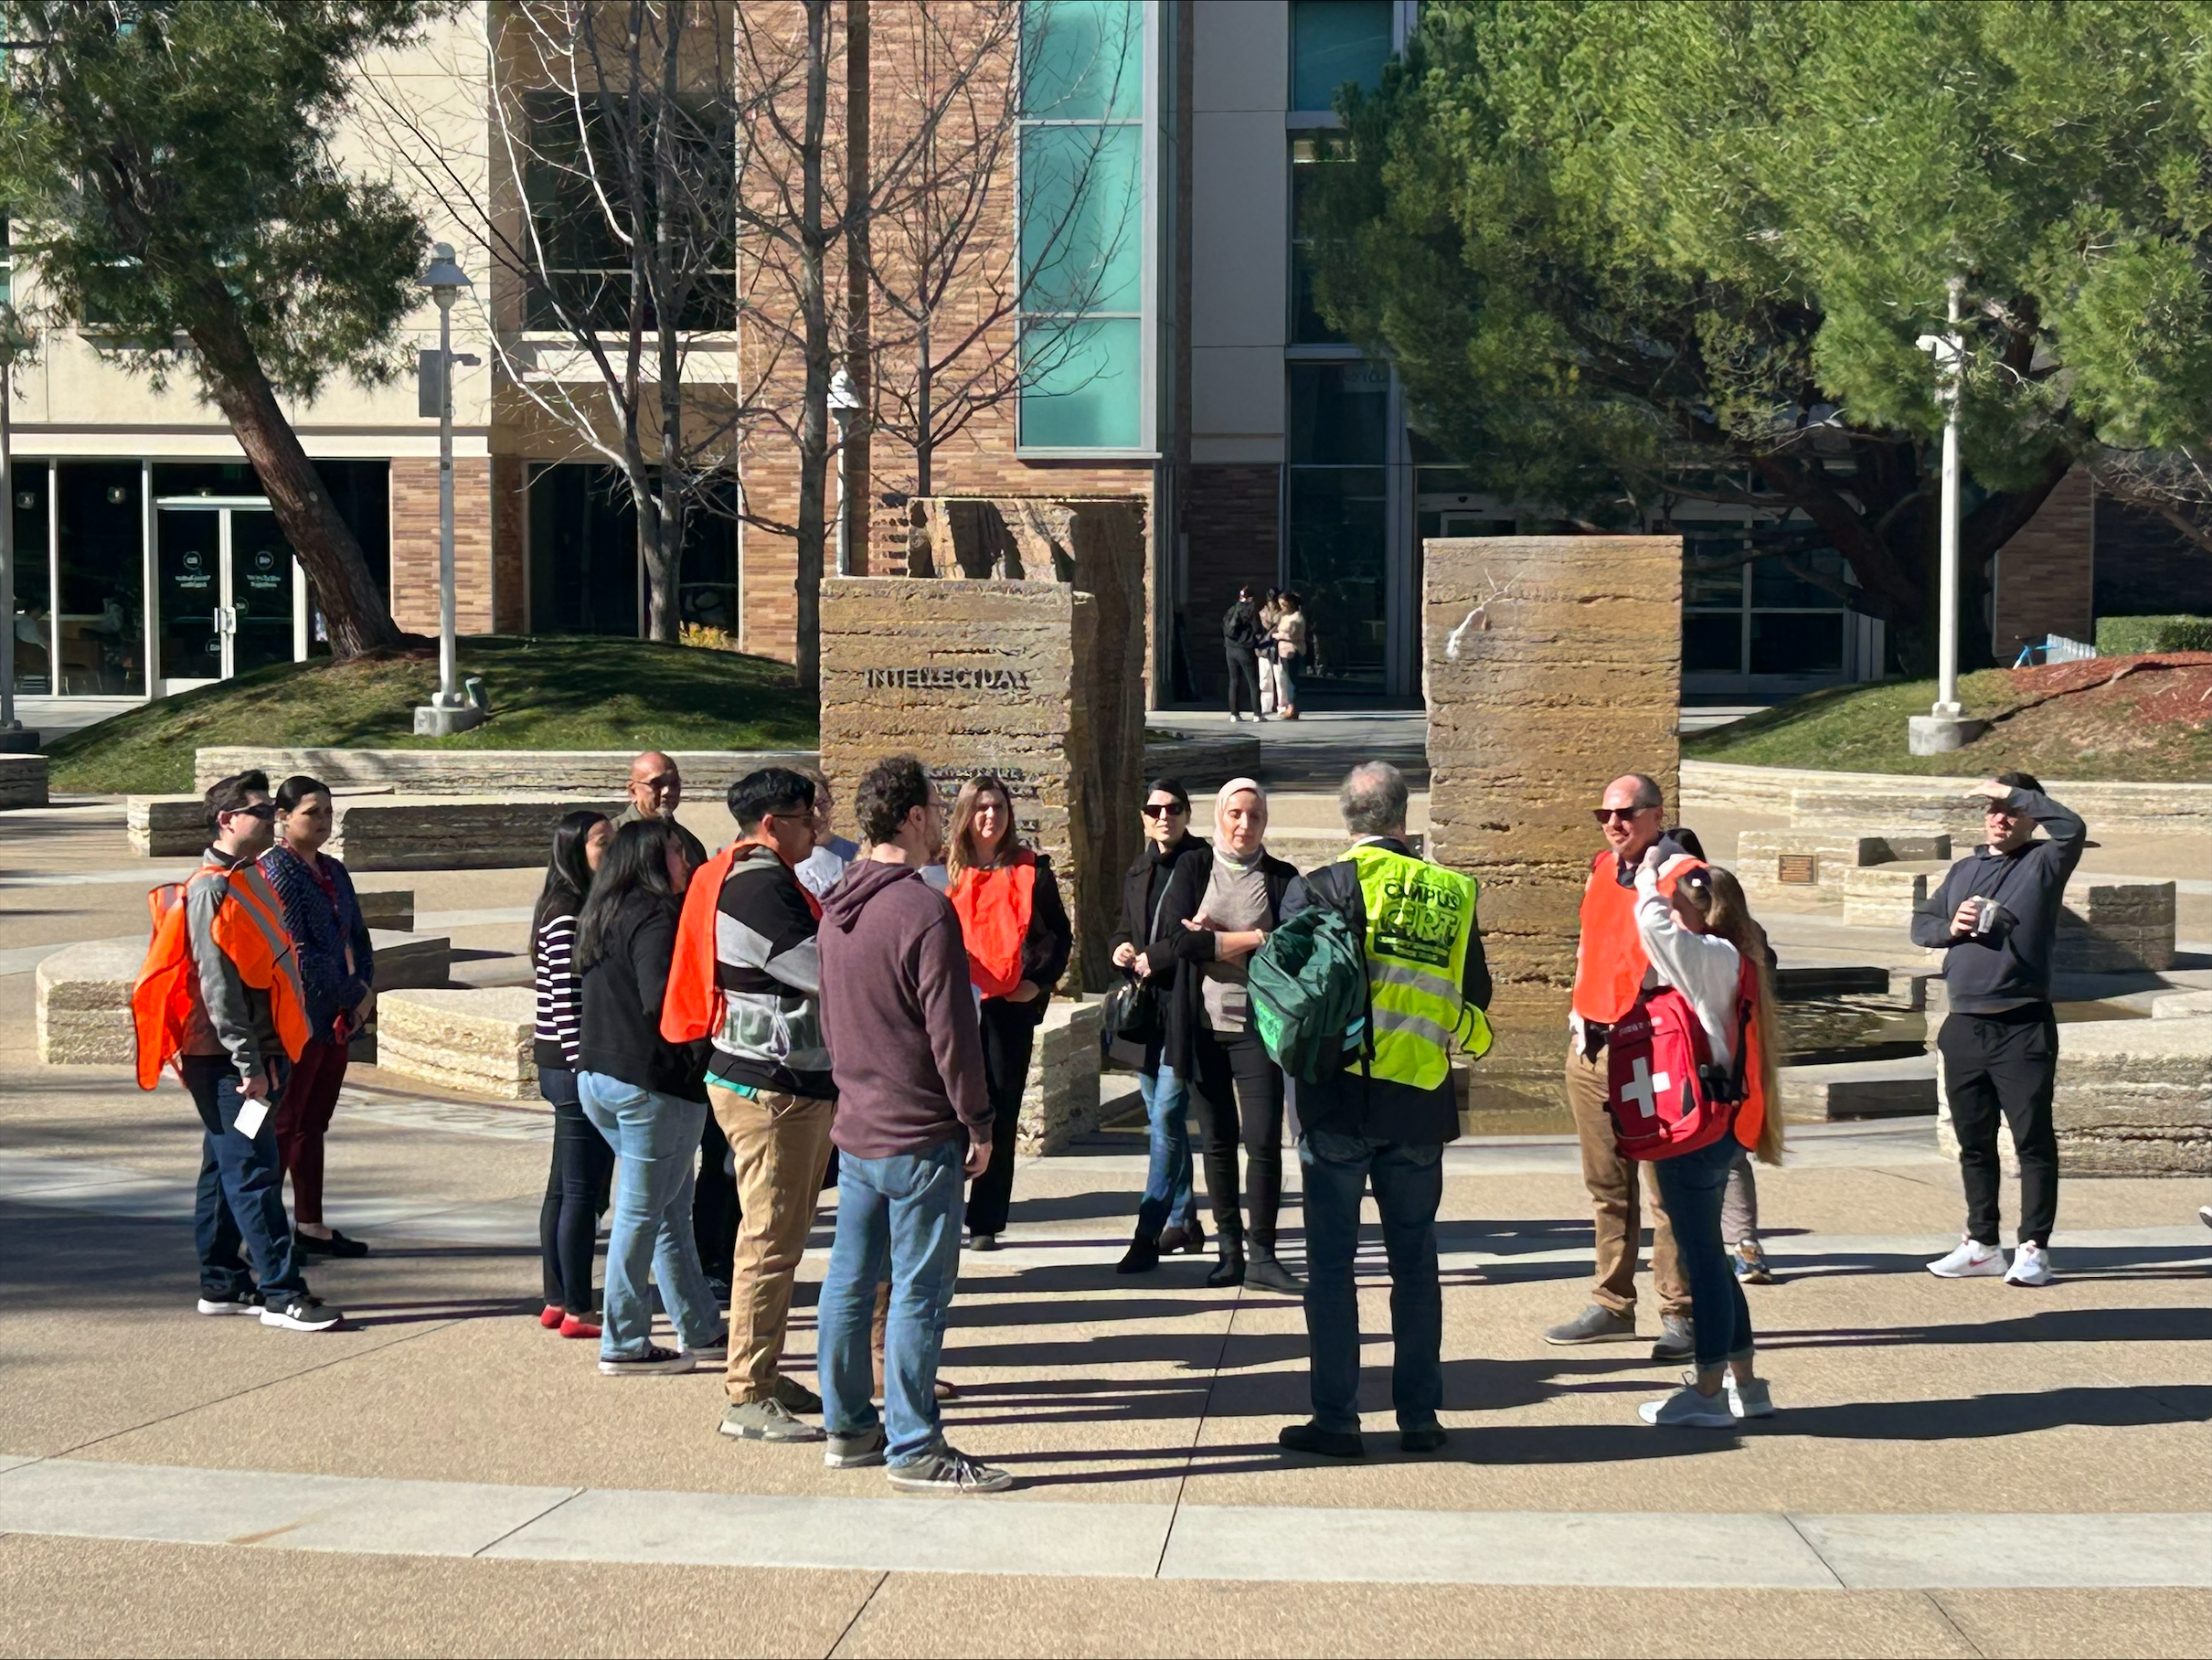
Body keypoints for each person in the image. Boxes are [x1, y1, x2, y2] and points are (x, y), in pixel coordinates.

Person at [1271, 762, 1491, 1458]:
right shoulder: (1452, 893)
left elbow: (1289, 995)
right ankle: (1419, 1419)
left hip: (1334, 1106)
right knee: (1416, 1267)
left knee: (1333, 1271)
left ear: (1348, 821)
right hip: (1418, 1106)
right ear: (1403, 819)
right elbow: (1475, 995)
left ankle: (1337, 1421)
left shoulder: (1316, 888)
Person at [815, 755, 1011, 1494]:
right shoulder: (923, 910)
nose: (941, 822)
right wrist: (979, 1121)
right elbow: (953, 1033)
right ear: (915, 818)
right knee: (918, 1294)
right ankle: (915, 1444)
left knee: (849, 1280)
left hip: (860, 1125)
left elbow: (833, 1018)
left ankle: (848, 1426)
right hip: (919, 1131)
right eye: (935, 807)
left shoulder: (839, 904)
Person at [132, 769, 337, 1332]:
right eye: (261, 810)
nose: (273, 817)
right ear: (228, 820)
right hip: (230, 1063)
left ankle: (222, 1283)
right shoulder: (212, 888)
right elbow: (218, 988)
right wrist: (250, 1066)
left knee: (224, 1170)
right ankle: (282, 1293)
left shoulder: (249, 878)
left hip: (252, 1057)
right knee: (253, 1171)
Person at [668, 767, 838, 1442]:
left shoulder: (748, 875)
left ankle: (759, 1372)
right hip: (771, 1087)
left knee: (778, 1239)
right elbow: (825, 971)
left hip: (774, 1082)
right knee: (768, 1242)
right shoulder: (761, 887)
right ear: (771, 825)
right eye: (806, 817)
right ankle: (746, 1396)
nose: (817, 828)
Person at [1626, 853, 1786, 1427]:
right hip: (1719, 1130)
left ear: (1697, 910)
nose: (1665, 908)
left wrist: (1644, 875)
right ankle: (1748, 1384)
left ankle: (1709, 1391)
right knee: (1713, 1262)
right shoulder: (1733, 958)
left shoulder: (1707, 957)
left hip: (1693, 1134)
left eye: (1675, 901)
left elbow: (1649, 926)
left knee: (1700, 1263)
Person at [1911, 773, 2086, 1287]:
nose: (1999, 818)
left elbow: (2073, 828)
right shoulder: (1964, 869)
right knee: (1974, 1141)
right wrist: (1952, 928)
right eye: (1991, 809)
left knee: (2032, 1141)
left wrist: (2016, 793)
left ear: (2031, 816)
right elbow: (1922, 923)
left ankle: (2034, 1248)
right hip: (1964, 1024)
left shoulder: (2044, 863)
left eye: (2010, 809)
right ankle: (1982, 1243)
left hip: (2022, 1024)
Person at [1545, 772, 1696, 1360]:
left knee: (1666, 1192)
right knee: (1607, 1186)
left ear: (1657, 815)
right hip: (1593, 1046)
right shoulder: (1601, 869)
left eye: (1627, 813)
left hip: (1654, 1053)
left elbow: (1711, 961)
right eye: (1604, 814)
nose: (1614, 824)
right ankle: (1612, 1304)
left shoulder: (1683, 877)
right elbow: (1592, 950)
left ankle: (1680, 1310)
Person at [574, 817, 727, 1376]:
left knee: (667, 1211)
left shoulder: (601, 913)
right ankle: (624, 1341)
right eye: (676, 855)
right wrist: (703, 1058)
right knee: (643, 1214)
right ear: (648, 862)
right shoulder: (655, 915)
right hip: (651, 1086)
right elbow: (662, 999)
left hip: (600, 1078)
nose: (686, 863)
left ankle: (701, 1326)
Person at [1156, 777, 1303, 1292]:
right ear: (1219, 815)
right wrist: (1253, 938)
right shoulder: (1196, 866)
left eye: (1254, 816)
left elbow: (1294, 946)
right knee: (1216, 1142)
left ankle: (1264, 1254)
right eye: (1235, 814)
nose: (1244, 825)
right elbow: (1177, 942)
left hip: (1258, 1029)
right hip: (1201, 1026)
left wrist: (1214, 938)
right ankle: (1229, 1252)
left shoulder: (1282, 878)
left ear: (1265, 822)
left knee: (1262, 1140)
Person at [616, 750, 731, 1292]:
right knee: (642, 1193)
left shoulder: (689, 842)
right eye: (655, 784)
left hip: (689, 1005)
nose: (666, 792)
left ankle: (702, 1269)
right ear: (631, 788)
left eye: (673, 783)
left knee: (695, 1167)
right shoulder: (616, 842)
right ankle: (624, 1309)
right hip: (643, 1031)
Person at [947, 774, 1072, 1250]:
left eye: (998, 807)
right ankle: (941, 1208)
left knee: (999, 1109)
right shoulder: (943, 871)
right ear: (965, 814)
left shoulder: (1029, 869)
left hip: (1005, 1011)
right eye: (981, 807)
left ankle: (984, 1220)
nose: (990, 816)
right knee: (948, 1110)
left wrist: (1035, 984)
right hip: (952, 1009)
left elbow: (1056, 936)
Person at [259, 774, 376, 1261]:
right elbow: (300, 952)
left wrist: (367, 988)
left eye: (328, 812)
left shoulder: (334, 870)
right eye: (312, 812)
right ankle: (263, 1231)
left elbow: (357, 935)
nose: (323, 821)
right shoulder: (277, 870)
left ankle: (311, 1223)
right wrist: (347, 994)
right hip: (301, 1018)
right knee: (283, 1123)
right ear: (282, 818)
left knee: (314, 1122)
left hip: (340, 1017)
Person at [1110, 779, 1208, 1274]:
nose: (1163, 817)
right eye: (1154, 810)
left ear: (1187, 813)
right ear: (1143, 817)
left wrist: (1156, 956)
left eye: (1173, 808)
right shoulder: (1139, 865)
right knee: (1162, 1119)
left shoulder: (1200, 862)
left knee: (1167, 1117)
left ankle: (1147, 1233)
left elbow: (1199, 931)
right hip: (1145, 1012)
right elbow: (1125, 925)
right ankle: (1185, 1217)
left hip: (1183, 1006)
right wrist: (1121, 949)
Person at [533, 809, 615, 1338]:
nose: (609, 853)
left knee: (563, 1188)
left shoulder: (574, 905)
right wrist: (584, 1065)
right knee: (582, 1192)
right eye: (600, 845)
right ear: (573, 851)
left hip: (564, 1063)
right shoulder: (566, 912)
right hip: (571, 1065)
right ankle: (577, 1307)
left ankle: (557, 1297)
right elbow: (565, 999)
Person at [795, 765, 858, 900]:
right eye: (810, 809)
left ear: (831, 804)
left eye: (822, 804)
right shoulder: (791, 862)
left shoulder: (856, 853)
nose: (818, 814)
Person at [1222, 586, 1265, 723]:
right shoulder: (1251, 610)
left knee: (1234, 681)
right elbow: (1257, 629)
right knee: (1253, 682)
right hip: (1245, 649)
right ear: (1251, 598)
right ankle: (1257, 714)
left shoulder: (1231, 610)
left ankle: (1234, 714)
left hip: (1230, 649)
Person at [1270, 591, 1307, 721]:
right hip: (1282, 651)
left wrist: (1277, 635)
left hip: (1292, 650)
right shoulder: (1284, 616)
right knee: (1285, 680)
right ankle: (1289, 706)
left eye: (1284, 605)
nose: (1282, 607)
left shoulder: (1297, 617)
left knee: (1291, 680)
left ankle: (1292, 707)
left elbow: (1291, 635)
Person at [1256, 589, 1283, 717]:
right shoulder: (1262, 614)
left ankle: (1281, 706)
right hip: (1265, 649)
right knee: (1265, 679)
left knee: (1279, 679)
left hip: (1277, 648)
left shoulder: (1282, 615)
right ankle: (1266, 706)